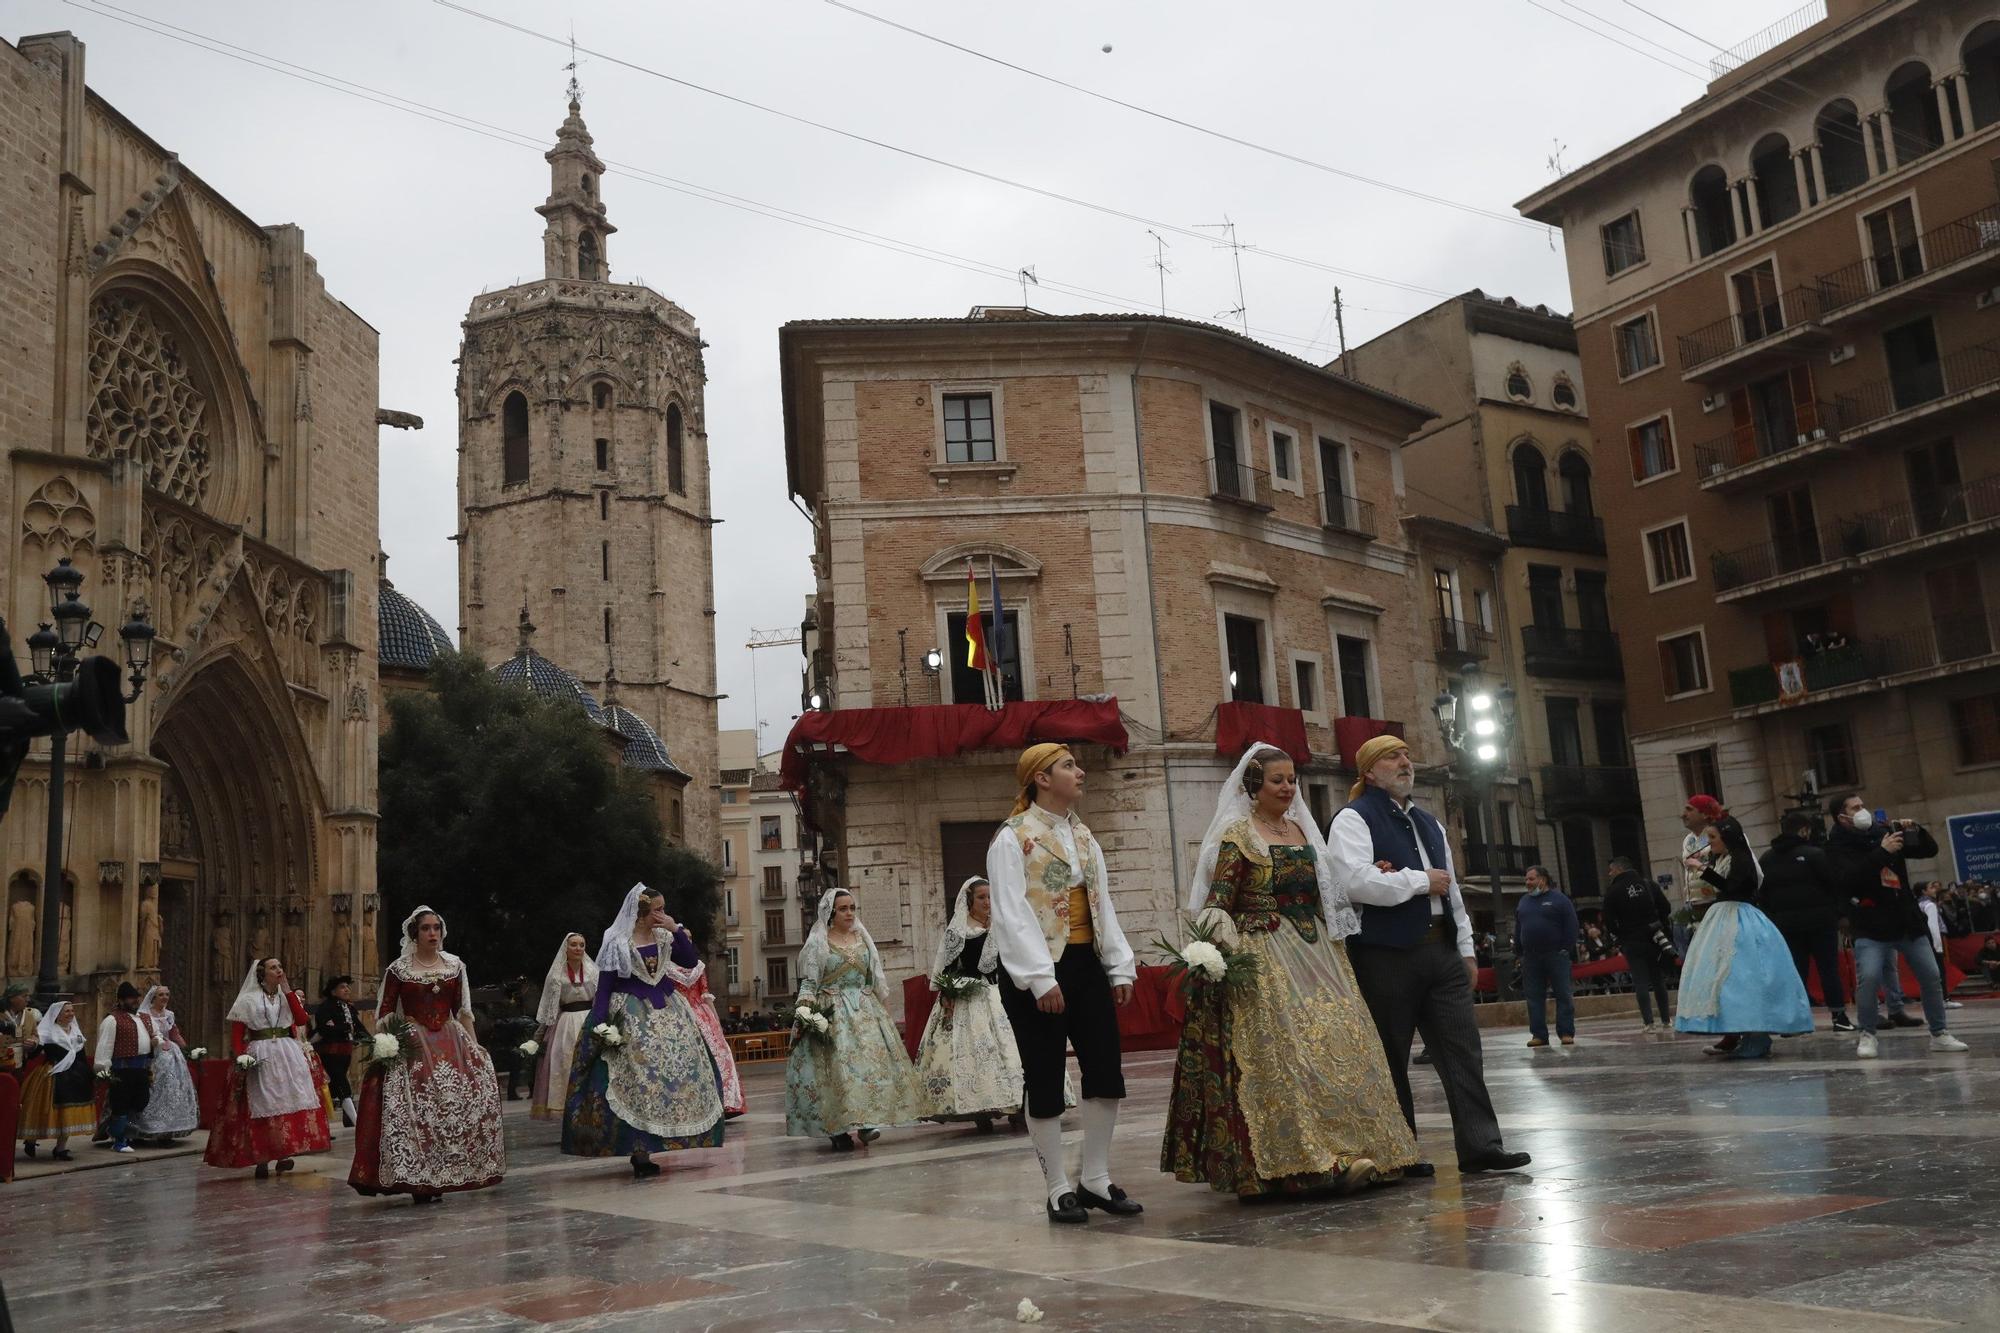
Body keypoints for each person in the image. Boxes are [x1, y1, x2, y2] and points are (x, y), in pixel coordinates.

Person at [1163, 744, 1418, 1198]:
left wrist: (1368, 877)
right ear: (1254, 786)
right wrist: (1221, 955)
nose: (1287, 787)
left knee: (1344, 1043)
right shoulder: (1240, 835)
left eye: (1291, 779)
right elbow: (1218, 902)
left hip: (1317, 951)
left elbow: (1327, 892)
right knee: (1288, 1056)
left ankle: (1365, 1148)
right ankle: (1303, 1161)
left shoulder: (1302, 829)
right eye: (1277, 780)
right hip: (1265, 952)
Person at [1329, 735, 1528, 1177]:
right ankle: (1400, 1152)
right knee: (1390, 1055)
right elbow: (1354, 883)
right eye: (1392, 757)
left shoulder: (1430, 823)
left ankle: (1481, 1146)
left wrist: (1465, 949)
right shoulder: (1352, 819)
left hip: (1441, 950)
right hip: (1385, 954)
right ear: (1368, 771)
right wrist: (1419, 881)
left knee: (1463, 1050)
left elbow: (1452, 888)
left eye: (1406, 754)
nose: (1406, 762)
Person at [988, 743, 1144, 1223]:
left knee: (1105, 1074)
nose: (1081, 772)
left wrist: (1118, 965)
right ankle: (1057, 1186)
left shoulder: (1084, 836)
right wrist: (1038, 979)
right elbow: (1011, 914)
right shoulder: (1012, 838)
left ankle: (1095, 1178)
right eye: (1069, 766)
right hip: (1038, 971)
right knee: (1045, 1076)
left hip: (1085, 964)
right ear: (1041, 778)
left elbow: (1103, 905)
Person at [563, 884, 725, 1178]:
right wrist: (599, 1023)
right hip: (631, 1015)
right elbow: (606, 986)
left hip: (669, 1013)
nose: (663, 914)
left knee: (674, 1079)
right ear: (640, 914)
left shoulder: (665, 936)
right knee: (636, 1082)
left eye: (663, 908)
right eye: (658, 910)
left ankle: (666, 1138)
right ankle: (640, 1151)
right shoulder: (617, 942)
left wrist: (676, 930)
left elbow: (690, 962)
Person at [349, 906, 507, 1201]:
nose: (432, 933)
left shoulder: (455, 966)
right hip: (414, 1044)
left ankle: (447, 1172)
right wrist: (388, 1044)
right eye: (426, 928)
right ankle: (419, 1179)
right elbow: (384, 1012)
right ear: (415, 933)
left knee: (451, 1109)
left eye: (436, 927)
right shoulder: (399, 969)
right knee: (418, 1111)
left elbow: (463, 1010)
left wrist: (475, 1046)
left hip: (450, 1041)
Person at [1822, 796, 1969, 1059]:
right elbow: (1847, 880)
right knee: (1867, 978)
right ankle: (1867, 1034)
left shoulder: (1882, 832)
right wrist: (1881, 853)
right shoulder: (1836, 847)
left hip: (1905, 922)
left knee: (1931, 975)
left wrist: (1915, 831)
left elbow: (1928, 850)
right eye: (1855, 808)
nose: (1862, 810)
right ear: (1841, 817)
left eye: (1862, 805)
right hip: (1870, 925)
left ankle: (1940, 1033)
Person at [786, 888, 924, 1149]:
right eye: (843, 909)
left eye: (852, 908)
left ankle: (866, 1123)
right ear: (831, 913)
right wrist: (804, 1012)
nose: (849, 913)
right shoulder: (819, 943)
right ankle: (837, 1129)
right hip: (833, 1014)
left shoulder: (863, 939)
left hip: (865, 1012)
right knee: (839, 1074)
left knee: (867, 1070)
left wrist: (884, 1012)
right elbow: (809, 983)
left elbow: (874, 979)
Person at [1672, 818, 1813, 1058]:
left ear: (1727, 838)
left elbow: (1733, 887)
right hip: (1723, 916)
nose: (1710, 843)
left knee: (1745, 975)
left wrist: (1701, 869)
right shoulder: (1724, 858)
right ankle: (1738, 1032)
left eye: (1713, 838)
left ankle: (1756, 1035)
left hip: (1739, 918)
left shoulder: (1741, 859)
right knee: (1728, 978)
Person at [914, 876, 1026, 1132]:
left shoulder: (1001, 925)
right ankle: (980, 1109)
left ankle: (1019, 1105)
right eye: (981, 897)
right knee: (975, 1053)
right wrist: (948, 994)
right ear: (969, 901)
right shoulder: (959, 930)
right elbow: (948, 968)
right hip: (971, 996)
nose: (987, 902)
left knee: (1013, 1050)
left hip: (1002, 993)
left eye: (990, 897)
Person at [204, 957, 332, 1177]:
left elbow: (301, 1019)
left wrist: (289, 991)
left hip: (286, 1053)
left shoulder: (286, 996)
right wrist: (241, 1056)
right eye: (274, 967)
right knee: (261, 1103)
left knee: (285, 1102)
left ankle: (283, 1154)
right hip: (260, 1051)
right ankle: (261, 1157)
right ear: (262, 973)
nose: (279, 970)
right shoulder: (248, 999)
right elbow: (237, 1032)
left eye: (280, 966)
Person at [1759, 813, 1855, 1033]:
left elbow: (1763, 895)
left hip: (1786, 925)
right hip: (1821, 923)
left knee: (1795, 972)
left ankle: (1795, 1020)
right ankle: (1839, 1016)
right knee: (1828, 969)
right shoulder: (1815, 854)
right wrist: (1839, 914)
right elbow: (1834, 886)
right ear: (1804, 830)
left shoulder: (1766, 858)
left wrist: (1775, 919)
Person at [1601, 858, 1675, 1034]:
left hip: (1632, 941)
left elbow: (1609, 922)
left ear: (1618, 870)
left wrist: (1622, 934)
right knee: (1658, 980)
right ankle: (1666, 1020)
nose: (1609, 874)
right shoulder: (1648, 885)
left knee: (1640, 981)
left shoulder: (1613, 891)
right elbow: (1666, 907)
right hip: (1654, 939)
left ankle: (1648, 1023)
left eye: (1611, 871)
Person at [531, 932, 599, 1121]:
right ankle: (569, 1114)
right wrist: (538, 1038)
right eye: (574, 945)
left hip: (589, 1020)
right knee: (564, 1065)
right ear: (566, 948)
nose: (578, 948)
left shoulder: (593, 971)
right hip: (566, 1024)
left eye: (582, 945)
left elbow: (601, 998)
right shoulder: (555, 975)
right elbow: (550, 1008)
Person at [19, 1000, 92, 1161]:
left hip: (75, 1076)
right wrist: (32, 1046)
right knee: (43, 1109)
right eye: (67, 1011)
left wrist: (88, 1074)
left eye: (72, 1011)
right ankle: (31, 1140)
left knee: (68, 1112)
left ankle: (60, 1148)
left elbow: (81, 1053)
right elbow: (35, 1052)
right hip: (52, 1074)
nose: (71, 1014)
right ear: (57, 1015)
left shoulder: (76, 1031)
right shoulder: (47, 1031)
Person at [1516, 866, 1579, 1048]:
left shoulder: (1560, 900)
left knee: (1563, 994)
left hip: (1556, 955)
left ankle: (1566, 1032)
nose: (1527, 883)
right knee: (1534, 997)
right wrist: (1519, 952)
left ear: (1542, 880)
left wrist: (1564, 948)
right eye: (1527, 879)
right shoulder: (1523, 902)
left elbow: (1572, 926)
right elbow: (1519, 928)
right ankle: (1539, 1034)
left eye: (1531, 879)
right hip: (1531, 957)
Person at [93, 981, 158, 1153]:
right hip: (122, 1069)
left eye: (136, 998)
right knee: (120, 1104)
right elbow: (105, 1045)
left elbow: (155, 1035)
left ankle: (127, 1133)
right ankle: (119, 1139)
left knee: (140, 1101)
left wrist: (155, 1042)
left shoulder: (144, 1018)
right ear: (121, 1001)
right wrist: (103, 1069)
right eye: (130, 999)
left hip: (141, 1068)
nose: (135, 1001)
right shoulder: (112, 1020)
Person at [129, 984, 199, 1142]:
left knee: (172, 1089)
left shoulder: (169, 1014)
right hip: (153, 1053)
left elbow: (175, 1034)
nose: (165, 998)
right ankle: (142, 1128)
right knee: (153, 1089)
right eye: (161, 995)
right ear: (153, 997)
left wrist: (189, 1051)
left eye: (167, 994)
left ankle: (168, 1130)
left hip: (172, 1055)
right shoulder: (144, 1015)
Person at [683, 971, 745, 1119]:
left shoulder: (667, 968)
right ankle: (726, 1101)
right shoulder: (698, 967)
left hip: (682, 1013)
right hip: (703, 1015)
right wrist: (716, 1022)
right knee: (719, 1056)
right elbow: (706, 998)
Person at [312, 975, 367, 1129]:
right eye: (342, 987)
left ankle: (342, 1121)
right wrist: (343, 1028)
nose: (347, 990)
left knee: (334, 1086)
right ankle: (356, 1121)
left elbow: (358, 1027)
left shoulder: (348, 1007)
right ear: (333, 991)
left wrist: (373, 1040)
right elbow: (324, 1029)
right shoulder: (326, 1007)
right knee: (342, 1083)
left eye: (347, 987)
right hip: (330, 1053)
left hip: (345, 1052)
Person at [1919, 883, 1962, 1011]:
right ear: (1923, 891)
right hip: (1934, 941)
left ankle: (1936, 999)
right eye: (1931, 887)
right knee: (1940, 972)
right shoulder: (1929, 905)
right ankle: (1944, 999)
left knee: (1930, 973)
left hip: (1924, 942)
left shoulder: (1918, 904)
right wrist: (1938, 946)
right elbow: (1933, 926)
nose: (1934, 890)